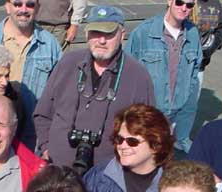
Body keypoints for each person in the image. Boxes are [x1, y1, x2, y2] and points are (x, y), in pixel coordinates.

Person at [34, 6, 155, 171]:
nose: (101, 41)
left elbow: (148, 130)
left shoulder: (138, 75)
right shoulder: (67, 64)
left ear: (122, 35)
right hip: (59, 170)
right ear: (86, 35)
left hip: (108, 175)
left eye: (109, 34)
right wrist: (46, 147)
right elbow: (42, 113)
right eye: (95, 33)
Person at [0, 0, 62, 148]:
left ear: (38, 7)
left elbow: (58, 98)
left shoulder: (51, 45)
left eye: (30, 4)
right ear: (7, 6)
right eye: (17, 4)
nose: (23, 9)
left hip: (31, 139)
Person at [126, 0, 203, 154]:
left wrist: (185, 117)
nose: (184, 8)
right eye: (180, 2)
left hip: (178, 114)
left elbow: (194, 74)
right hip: (148, 114)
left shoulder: (193, 33)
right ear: (169, 1)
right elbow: (127, 74)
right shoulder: (143, 32)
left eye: (189, 5)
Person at [190, 0, 222, 95]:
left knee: (193, 98)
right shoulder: (185, 3)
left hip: (200, 63)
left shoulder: (215, 4)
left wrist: (211, 47)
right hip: (180, 63)